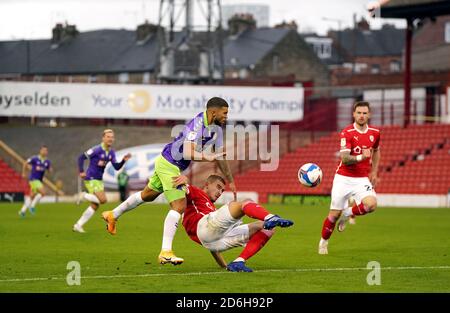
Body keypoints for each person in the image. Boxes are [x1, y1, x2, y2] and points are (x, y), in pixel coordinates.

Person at [102, 97, 236, 265]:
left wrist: (231, 181)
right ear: (213, 112)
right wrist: (208, 156)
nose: (226, 117)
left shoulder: (217, 129)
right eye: (224, 113)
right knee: (179, 206)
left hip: (169, 163)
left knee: (147, 195)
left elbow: (220, 157)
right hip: (170, 164)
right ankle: (166, 252)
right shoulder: (196, 124)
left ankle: (112, 215)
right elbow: (188, 153)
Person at [175, 174, 293, 272]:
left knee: (267, 228)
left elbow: (211, 243)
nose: (220, 192)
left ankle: (238, 262)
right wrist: (184, 181)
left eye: (222, 190)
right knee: (245, 202)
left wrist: (223, 265)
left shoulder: (210, 208)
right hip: (203, 227)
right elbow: (181, 188)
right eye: (218, 187)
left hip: (215, 242)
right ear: (207, 184)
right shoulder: (196, 193)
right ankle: (270, 217)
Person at [318, 101, 381, 254]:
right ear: (353, 114)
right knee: (333, 216)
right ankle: (324, 242)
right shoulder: (347, 133)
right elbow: (345, 158)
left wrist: (374, 172)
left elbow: (377, 151)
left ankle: (348, 213)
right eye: (359, 112)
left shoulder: (375, 133)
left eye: (365, 113)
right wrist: (361, 157)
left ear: (369, 115)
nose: (362, 115)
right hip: (343, 178)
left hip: (361, 179)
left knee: (371, 205)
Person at [73, 129, 131, 233]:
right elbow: (81, 158)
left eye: (112, 137)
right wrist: (81, 171)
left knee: (95, 205)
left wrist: (123, 161)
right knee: (103, 200)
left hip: (99, 180)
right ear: (103, 138)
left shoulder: (111, 152)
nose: (110, 139)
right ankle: (83, 196)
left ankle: (78, 225)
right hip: (91, 178)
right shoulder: (96, 149)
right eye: (108, 137)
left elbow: (116, 167)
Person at [18, 145, 52, 217]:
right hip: (33, 179)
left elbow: (49, 169)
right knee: (43, 193)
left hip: (39, 180)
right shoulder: (35, 158)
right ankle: (32, 206)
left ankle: (22, 211)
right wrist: (23, 173)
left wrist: (50, 170)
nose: (45, 152)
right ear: (40, 151)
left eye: (46, 150)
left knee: (31, 196)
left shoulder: (47, 161)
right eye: (43, 150)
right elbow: (25, 163)